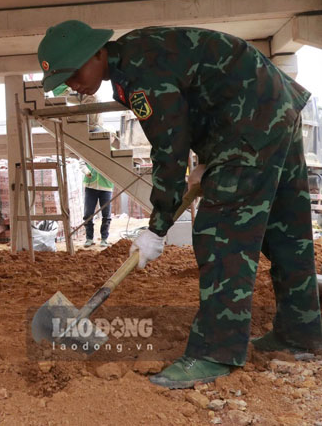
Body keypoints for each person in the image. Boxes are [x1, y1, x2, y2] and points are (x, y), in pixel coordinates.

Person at [37, 20, 322, 388]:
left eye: (73, 73)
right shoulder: (137, 54)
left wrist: (156, 228)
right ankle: (299, 333)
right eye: (65, 80)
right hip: (270, 109)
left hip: (250, 122)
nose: (73, 85)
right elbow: (198, 99)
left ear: (96, 52)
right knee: (286, 229)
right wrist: (210, 155)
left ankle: (213, 354)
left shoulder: (141, 75)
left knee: (221, 234)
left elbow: (168, 153)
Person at [81, 162, 113, 247]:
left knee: (106, 214)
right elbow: (82, 162)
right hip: (91, 185)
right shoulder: (89, 149)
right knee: (88, 214)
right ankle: (89, 238)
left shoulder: (111, 149)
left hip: (106, 186)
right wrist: (86, 171)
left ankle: (104, 239)